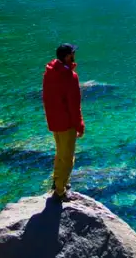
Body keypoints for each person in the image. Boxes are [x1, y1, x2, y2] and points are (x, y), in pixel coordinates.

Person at [42, 43, 84, 200]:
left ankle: (57, 181)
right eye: (72, 53)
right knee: (68, 157)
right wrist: (79, 125)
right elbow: (74, 105)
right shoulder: (70, 77)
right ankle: (60, 191)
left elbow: (47, 97)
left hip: (54, 121)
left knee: (60, 153)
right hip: (66, 123)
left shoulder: (49, 72)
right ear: (67, 56)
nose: (74, 55)